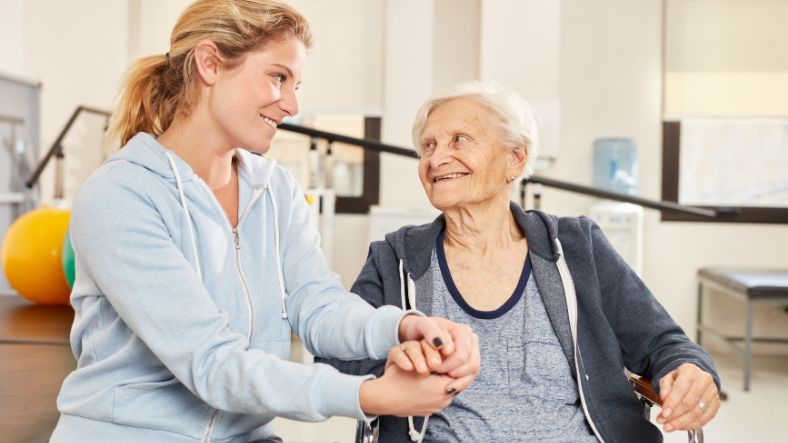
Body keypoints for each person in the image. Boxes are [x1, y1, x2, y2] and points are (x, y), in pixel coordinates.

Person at [50, 1, 480, 442]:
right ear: (210, 63)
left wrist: (406, 326)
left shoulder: (276, 190)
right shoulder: (120, 195)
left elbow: (318, 305)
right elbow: (213, 364)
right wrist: (372, 395)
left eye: (296, 83)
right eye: (279, 77)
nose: (291, 104)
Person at [317, 80, 721, 443]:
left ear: (514, 158)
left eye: (459, 139)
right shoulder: (395, 258)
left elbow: (664, 342)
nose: (436, 158)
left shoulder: (578, 246)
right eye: (428, 145)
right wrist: (391, 366)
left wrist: (689, 372)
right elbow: (335, 360)